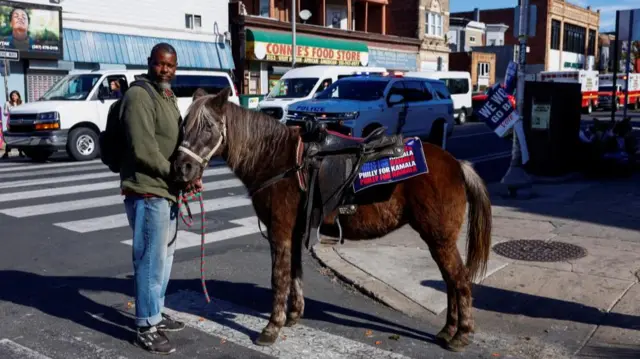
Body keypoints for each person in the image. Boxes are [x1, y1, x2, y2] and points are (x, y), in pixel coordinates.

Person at [119, 42, 186, 355]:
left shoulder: (168, 95)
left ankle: (156, 311)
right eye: (161, 64)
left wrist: (189, 176)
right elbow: (144, 150)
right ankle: (146, 325)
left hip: (167, 190)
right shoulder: (138, 96)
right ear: (150, 63)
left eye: (171, 66)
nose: (166, 70)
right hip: (147, 189)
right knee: (149, 260)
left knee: (164, 259)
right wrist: (177, 175)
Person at [2, 90, 25, 158]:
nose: (13, 97)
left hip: (19, 122)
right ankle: (7, 152)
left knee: (20, 137)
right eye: (12, 95)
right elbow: (5, 113)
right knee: (10, 137)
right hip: (10, 122)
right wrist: (11, 111)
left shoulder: (21, 103)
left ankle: (21, 152)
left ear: (18, 96)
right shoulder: (7, 103)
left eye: (15, 95)